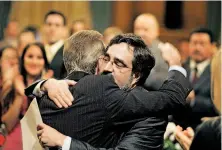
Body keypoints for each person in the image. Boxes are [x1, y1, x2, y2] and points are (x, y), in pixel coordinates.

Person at [25, 31, 191, 149]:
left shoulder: (151, 115)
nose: (107, 68)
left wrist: (64, 142)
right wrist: (44, 84)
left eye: (119, 63)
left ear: (136, 76)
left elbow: (172, 98)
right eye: (106, 59)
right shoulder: (74, 89)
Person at [1, 43, 52, 150]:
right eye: (30, 56)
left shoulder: (51, 87)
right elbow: (7, 126)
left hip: (38, 144)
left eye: (39, 57)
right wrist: (20, 96)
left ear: (44, 62)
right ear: (22, 59)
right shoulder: (13, 85)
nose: (34, 61)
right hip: (13, 144)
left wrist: (40, 89)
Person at [183, 27, 218, 129]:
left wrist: (193, 100)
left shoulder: (217, 72)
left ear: (213, 46)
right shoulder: (182, 68)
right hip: (179, 129)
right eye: (194, 43)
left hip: (205, 130)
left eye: (202, 44)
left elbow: (218, 105)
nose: (197, 48)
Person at [134, 13, 169, 91]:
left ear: (157, 31)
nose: (140, 33)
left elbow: (162, 81)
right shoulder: (129, 49)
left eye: (145, 29)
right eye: (137, 29)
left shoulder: (164, 52)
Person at [43, 10, 67, 79]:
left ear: (64, 30)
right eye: (49, 24)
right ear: (44, 27)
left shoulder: (70, 53)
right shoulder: (38, 51)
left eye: (57, 25)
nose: (52, 28)